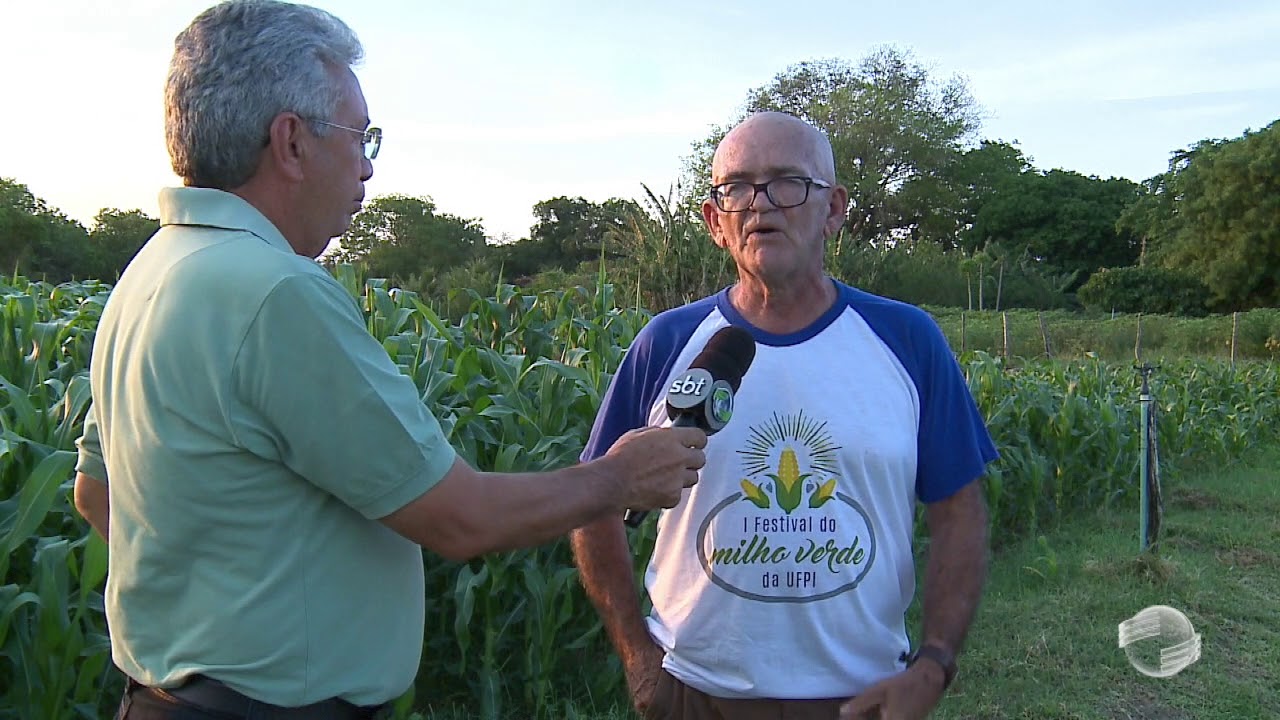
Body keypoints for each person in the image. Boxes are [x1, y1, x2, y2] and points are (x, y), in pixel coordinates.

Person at [70, 2, 707, 718]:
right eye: (360, 136)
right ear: (291, 142)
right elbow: (461, 519)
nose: (367, 166)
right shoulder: (275, 292)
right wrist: (617, 477)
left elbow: (94, 493)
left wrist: (210, 600)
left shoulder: (152, 272)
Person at [569, 111, 997, 720]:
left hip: (863, 698)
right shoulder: (667, 343)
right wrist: (638, 658)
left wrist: (934, 664)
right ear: (715, 221)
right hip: (696, 696)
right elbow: (591, 502)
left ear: (834, 209)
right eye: (737, 188)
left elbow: (959, 510)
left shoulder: (906, 340)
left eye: (787, 183)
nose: (760, 205)